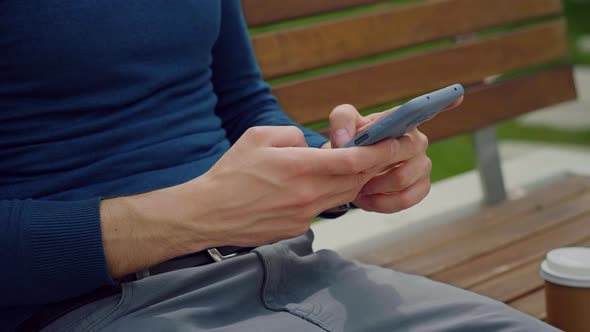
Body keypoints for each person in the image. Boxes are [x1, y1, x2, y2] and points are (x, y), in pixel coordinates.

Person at [0, 1, 559, 331]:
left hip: (292, 270)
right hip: (100, 308)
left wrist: (338, 164)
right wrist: (196, 216)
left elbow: (241, 99)